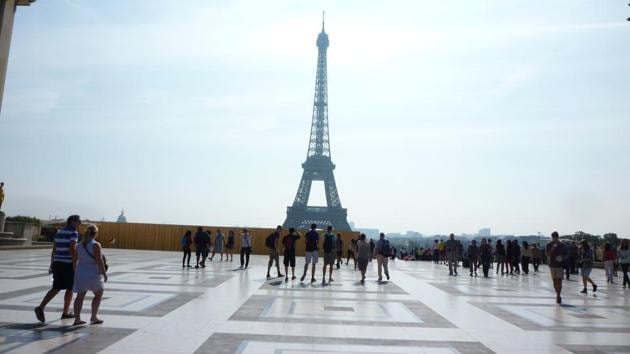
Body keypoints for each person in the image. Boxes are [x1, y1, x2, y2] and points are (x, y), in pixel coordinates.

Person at [34, 215, 81, 323]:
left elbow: (54, 249)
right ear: (72, 222)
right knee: (70, 288)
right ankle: (65, 312)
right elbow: (72, 248)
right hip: (68, 264)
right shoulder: (73, 232)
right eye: (79, 221)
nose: (80, 223)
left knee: (56, 288)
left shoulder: (59, 232)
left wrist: (51, 263)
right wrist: (75, 264)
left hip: (57, 263)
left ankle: (41, 307)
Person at [72, 224, 108, 325]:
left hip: (81, 271)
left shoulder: (78, 245)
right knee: (99, 293)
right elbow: (99, 260)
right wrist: (104, 273)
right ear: (96, 234)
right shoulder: (95, 244)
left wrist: (76, 271)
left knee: (80, 296)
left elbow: (75, 260)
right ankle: (94, 316)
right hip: (93, 272)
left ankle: (77, 319)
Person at [546, 231, 568, 304]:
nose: (555, 239)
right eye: (553, 237)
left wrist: (562, 257)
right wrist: (552, 249)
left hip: (560, 265)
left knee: (559, 281)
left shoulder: (562, 245)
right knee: (555, 281)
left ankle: (558, 295)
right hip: (552, 265)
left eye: (556, 237)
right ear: (552, 237)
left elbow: (567, 255)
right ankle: (557, 294)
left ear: (558, 237)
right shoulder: (549, 244)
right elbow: (547, 254)